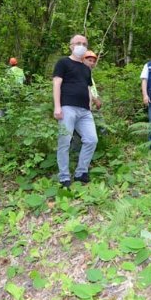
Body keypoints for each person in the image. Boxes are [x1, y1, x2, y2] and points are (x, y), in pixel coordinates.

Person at [53, 35, 98, 187]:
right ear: (71, 45)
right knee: (64, 141)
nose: (82, 45)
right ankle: (64, 177)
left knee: (92, 139)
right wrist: (57, 106)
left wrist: (90, 106)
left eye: (84, 43)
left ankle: (81, 173)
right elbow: (57, 84)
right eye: (78, 43)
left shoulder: (86, 68)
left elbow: (87, 88)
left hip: (85, 111)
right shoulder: (63, 62)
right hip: (67, 107)